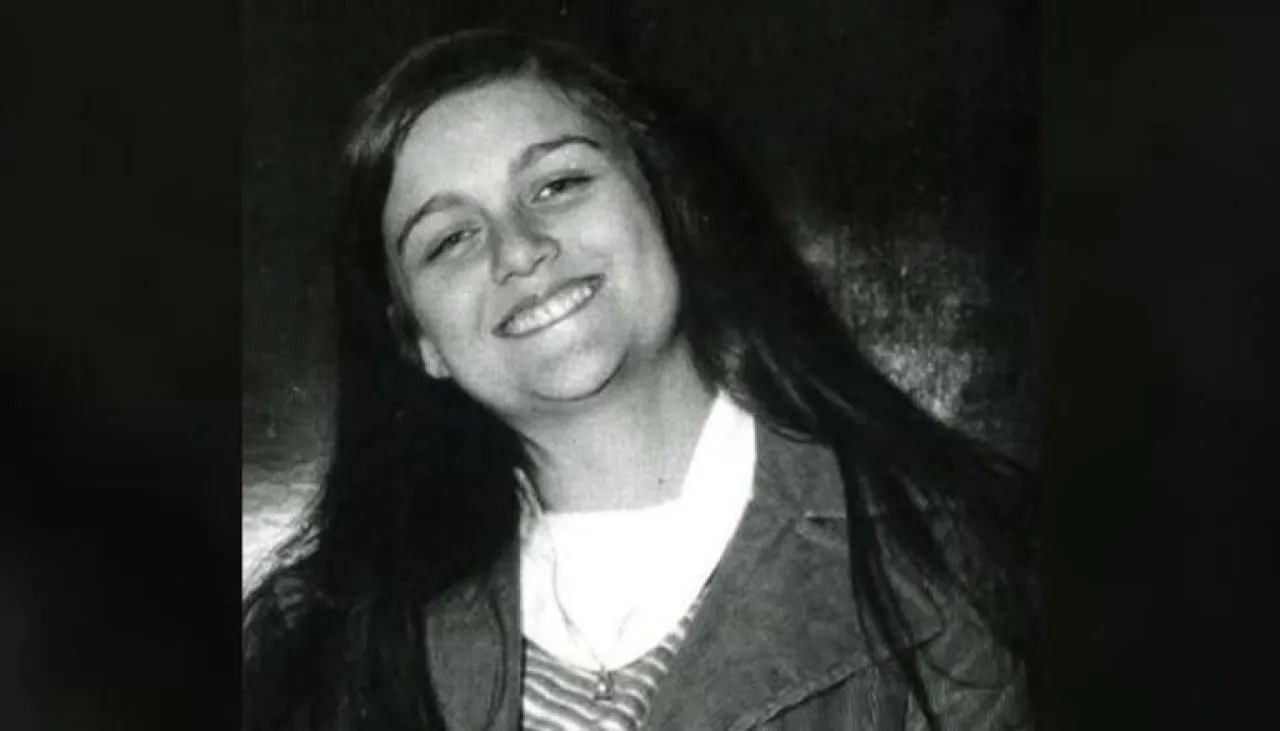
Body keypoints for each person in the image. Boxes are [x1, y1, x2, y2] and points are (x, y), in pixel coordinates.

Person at [242, 28, 1039, 731]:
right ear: (421, 341)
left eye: (558, 184)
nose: (518, 249)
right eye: (450, 238)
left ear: (667, 205)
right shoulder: (324, 647)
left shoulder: (961, 558)